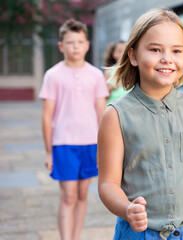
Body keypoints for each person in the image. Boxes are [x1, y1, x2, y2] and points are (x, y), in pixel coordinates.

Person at [97, 9, 183, 240]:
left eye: (176, 51)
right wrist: (127, 209)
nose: (167, 58)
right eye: (155, 49)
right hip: (141, 233)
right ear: (134, 56)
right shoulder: (115, 115)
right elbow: (107, 183)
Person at [39, 19, 109, 240]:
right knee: (68, 195)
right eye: (70, 42)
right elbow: (47, 115)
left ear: (87, 45)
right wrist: (49, 151)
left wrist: (103, 148)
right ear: (61, 46)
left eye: (80, 42)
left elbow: (102, 114)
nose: (76, 47)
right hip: (64, 143)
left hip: (90, 143)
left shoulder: (96, 75)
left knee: (81, 194)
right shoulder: (53, 75)